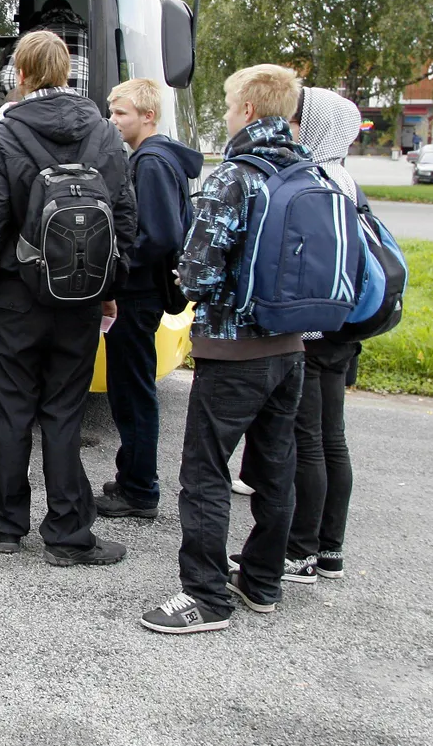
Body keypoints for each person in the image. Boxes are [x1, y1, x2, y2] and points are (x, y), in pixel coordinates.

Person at [141, 64, 309, 634]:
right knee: (275, 466)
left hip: (234, 351)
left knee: (207, 472)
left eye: (232, 105)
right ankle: (262, 581)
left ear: (250, 113)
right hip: (292, 347)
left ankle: (206, 597)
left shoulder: (234, 177)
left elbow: (198, 273)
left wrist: (183, 274)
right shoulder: (310, 173)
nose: (229, 113)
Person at [0, 31, 136, 563]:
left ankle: (7, 524)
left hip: (14, 295)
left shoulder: (2, 136)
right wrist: (107, 289)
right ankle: (66, 532)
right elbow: (124, 220)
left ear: (20, 73)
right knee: (64, 412)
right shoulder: (105, 135)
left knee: (7, 408)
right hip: (78, 296)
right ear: (68, 72)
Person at [97, 79, 203, 519]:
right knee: (129, 389)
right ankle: (131, 476)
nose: (113, 120)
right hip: (142, 292)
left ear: (148, 117)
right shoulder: (153, 158)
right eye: (112, 112)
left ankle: (139, 490)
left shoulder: (153, 162)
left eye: (121, 113)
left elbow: (159, 236)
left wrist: (118, 267)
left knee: (133, 391)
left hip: (137, 295)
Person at [283, 87, 368, 583]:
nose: (290, 126)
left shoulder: (316, 180)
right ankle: (330, 549)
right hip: (344, 327)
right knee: (333, 440)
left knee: (306, 441)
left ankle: (300, 551)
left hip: (313, 331)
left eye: (297, 119)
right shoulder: (348, 180)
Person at [0, 0, 90, 109]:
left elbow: (8, 80)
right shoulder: (92, 37)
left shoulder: (30, 37)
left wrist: (32, 89)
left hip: (35, 112)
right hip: (83, 113)